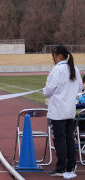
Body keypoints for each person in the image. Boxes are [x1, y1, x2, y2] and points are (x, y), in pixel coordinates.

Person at [43, 45, 82, 179]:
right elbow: (79, 89)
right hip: (70, 110)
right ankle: (71, 166)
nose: (52, 59)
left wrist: (46, 91)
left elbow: (48, 91)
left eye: (53, 56)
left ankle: (61, 167)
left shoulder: (57, 70)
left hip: (58, 111)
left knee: (60, 140)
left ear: (58, 55)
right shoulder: (75, 69)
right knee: (69, 139)